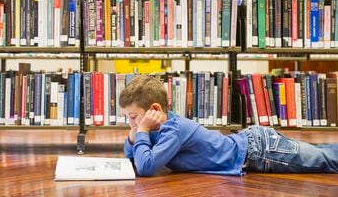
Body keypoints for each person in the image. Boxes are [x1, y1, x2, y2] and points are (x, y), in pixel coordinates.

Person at [119, 74, 338, 177]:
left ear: (154, 110)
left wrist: (142, 131)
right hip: (253, 148)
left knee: (324, 161)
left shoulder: (173, 130)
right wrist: (133, 137)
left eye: (133, 116)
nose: (132, 123)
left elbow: (146, 167)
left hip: (258, 150)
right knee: (320, 153)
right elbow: (133, 159)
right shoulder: (158, 127)